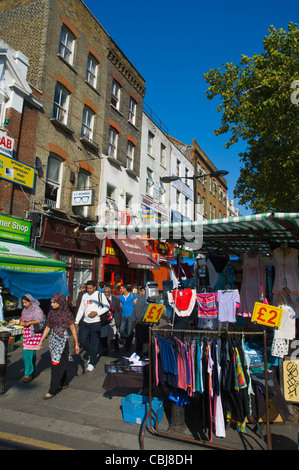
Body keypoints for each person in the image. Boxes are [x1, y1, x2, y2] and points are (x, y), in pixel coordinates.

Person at [38, 293, 79, 399]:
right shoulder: (51, 313)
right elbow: (47, 327)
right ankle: (63, 382)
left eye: (54, 302)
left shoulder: (67, 314)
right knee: (59, 362)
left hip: (63, 341)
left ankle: (52, 390)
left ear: (60, 302)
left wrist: (76, 343)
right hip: (53, 340)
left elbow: (73, 329)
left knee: (56, 366)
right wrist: (41, 340)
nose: (52, 304)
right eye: (51, 302)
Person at [75, 280, 109, 371]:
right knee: (82, 340)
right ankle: (92, 352)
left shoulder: (100, 295)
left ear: (94, 287)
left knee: (95, 341)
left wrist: (97, 313)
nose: (89, 290)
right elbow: (81, 309)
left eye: (90, 288)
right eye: (87, 288)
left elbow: (107, 307)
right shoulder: (84, 295)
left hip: (96, 322)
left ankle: (92, 362)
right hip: (85, 322)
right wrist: (76, 321)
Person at [19, 294, 46, 383]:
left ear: (30, 302)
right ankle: (32, 371)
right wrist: (22, 322)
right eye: (23, 303)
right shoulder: (24, 310)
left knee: (27, 355)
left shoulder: (37, 309)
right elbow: (22, 318)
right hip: (27, 333)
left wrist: (29, 322)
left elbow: (40, 320)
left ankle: (27, 374)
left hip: (34, 333)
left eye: (25, 302)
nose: (24, 304)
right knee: (28, 354)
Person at [101, 286, 122, 353]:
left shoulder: (116, 300)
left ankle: (115, 347)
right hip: (105, 320)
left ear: (110, 292)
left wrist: (118, 319)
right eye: (104, 292)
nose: (105, 293)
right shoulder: (101, 300)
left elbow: (119, 310)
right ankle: (105, 349)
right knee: (104, 334)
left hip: (113, 318)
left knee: (114, 334)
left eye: (107, 292)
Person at [132, 286, 150, 357]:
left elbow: (142, 311)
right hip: (140, 322)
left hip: (141, 322)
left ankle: (140, 353)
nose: (141, 293)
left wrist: (135, 320)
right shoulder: (143, 299)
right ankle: (142, 353)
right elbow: (140, 311)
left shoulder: (145, 300)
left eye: (142, 291)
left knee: (140, 339)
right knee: (142, 339)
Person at [119, 284, 137, 351]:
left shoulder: (132, 296)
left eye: (121, 289)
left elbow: (136, 304)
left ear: (125, 289)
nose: (120, 290)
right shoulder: (121, 297)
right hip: (123, 315)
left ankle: (128, 346)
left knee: (129, 330)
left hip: (130, 315)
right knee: (121, 329)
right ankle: (127, 338)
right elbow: (121, 305)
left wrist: (136, 315)